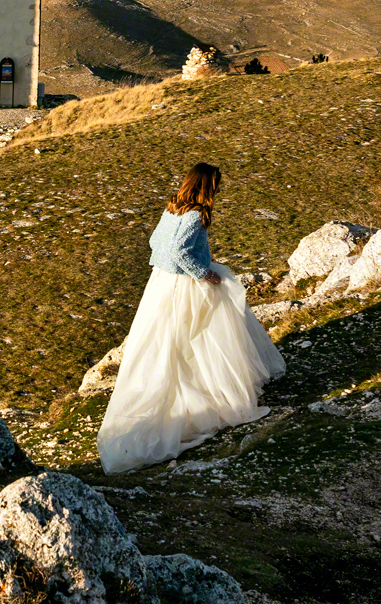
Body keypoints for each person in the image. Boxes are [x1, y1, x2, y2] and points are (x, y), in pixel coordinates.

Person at [98, 162, 286, 474]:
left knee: (170, 343)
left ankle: (193, 393)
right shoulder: (196, 213)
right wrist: (205, 273)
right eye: (216, 186)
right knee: (202, 335)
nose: (218, 191)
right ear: (206, 186)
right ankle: (209, 398)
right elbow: (179, 252)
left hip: (161, 282)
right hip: (184, 285)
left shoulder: (173, 207)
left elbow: (156, 243)